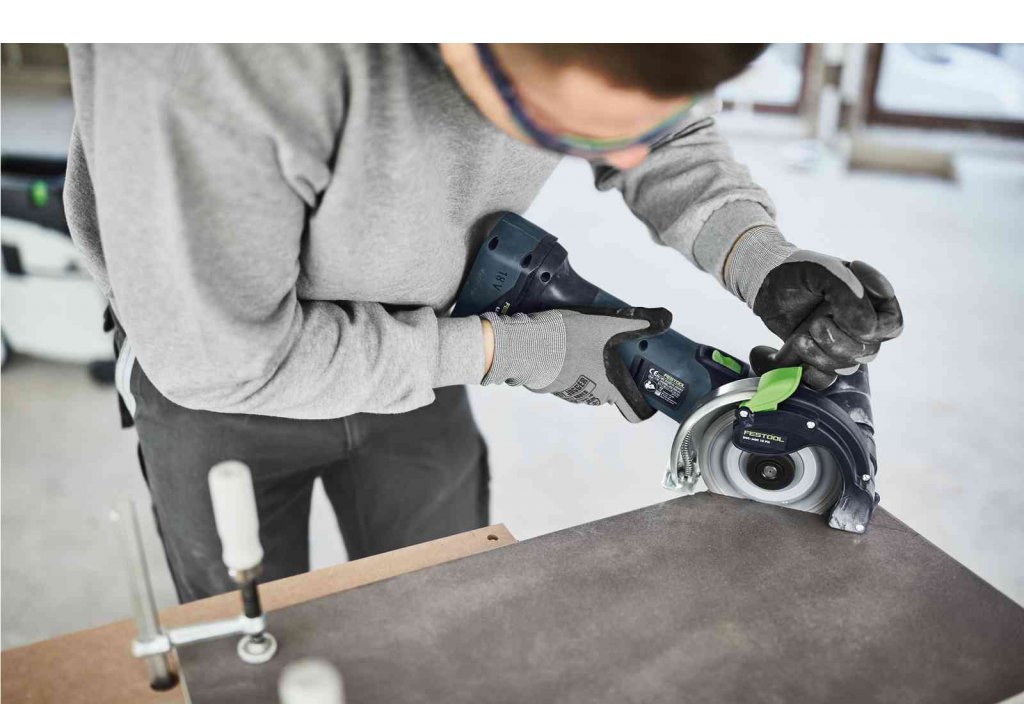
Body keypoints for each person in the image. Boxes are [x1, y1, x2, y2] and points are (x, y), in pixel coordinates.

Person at [63, 44, 903, 602]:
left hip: (427, 363)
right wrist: (519, 352)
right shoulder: (205, 58)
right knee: (249, 648)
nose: (618, 152)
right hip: (221, 388)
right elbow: (224, 361)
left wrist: (756, 252)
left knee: (443, 618)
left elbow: (662, 128)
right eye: (575, 122)